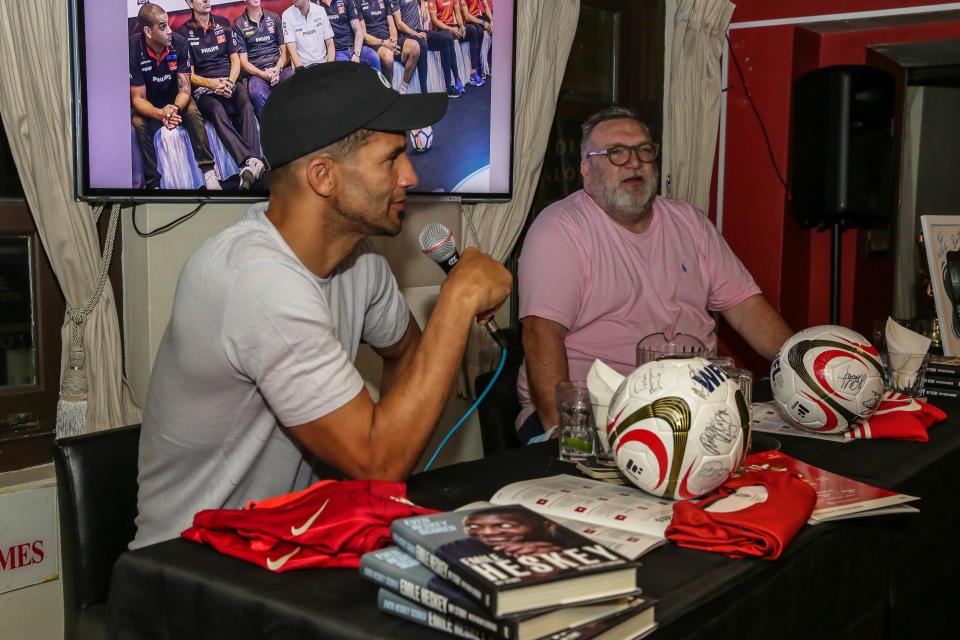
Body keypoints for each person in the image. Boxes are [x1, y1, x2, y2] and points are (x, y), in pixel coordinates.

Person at [131, 62, 511, 549]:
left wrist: (370, 482)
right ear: (323, 177)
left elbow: (405, 356)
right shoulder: (256, 279)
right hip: (191, 566)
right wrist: (456, 301)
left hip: (294, 542)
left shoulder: (362, 262)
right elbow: (379, 461)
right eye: (390, 159)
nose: (410, 176)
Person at [515, 106, 794, 443]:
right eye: (616, 153)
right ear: (587, 171)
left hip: (692, 407)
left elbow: (747, 307)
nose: (634, 162)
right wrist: (562, 433)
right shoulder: (560, 228)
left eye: (644, 150)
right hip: (595, 412)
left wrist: (804, 368)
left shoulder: (689, 221)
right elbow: (540, 334)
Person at [130, 4, 221, 191]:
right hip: (151, 104)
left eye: (168, 25)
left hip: (176, 101)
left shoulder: (179, 43)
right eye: (163, 27)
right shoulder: (133, 48)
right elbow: (138, 99)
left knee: (192, 110)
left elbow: (185, 90)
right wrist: (160, 114)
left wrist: (174, 110)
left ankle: (209, 172)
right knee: (138, 123)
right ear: (148, 31)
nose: (170, 31)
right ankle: (153, 184)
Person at [178, 0, 264, 189]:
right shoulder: (183, 33)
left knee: (245, 104)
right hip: (205, 87)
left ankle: (249, 167)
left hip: (228, 81)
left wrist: (230, 83)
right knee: (217, 111)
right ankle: (249, 161)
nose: (206, 0)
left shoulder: (223, 22)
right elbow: (189, 75)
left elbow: (235, 61)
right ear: (190, 3)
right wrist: (212, 83)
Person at [233, 0, 292, 119]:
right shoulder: (238, 24)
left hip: (279, 69)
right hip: (257, 74)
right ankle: (270, 132)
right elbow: (243, 62)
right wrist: (263, 74)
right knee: (256, 93)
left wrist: (278, 68)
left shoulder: (273, 17)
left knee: (296, 79)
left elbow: (286, 51)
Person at [392, 0, 462, 98]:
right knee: (423, 44)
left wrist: (422, 5)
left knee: (445, 38)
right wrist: (414, 33)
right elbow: (399, 23)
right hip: (406, 36)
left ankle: (449, 87)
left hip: (419, 31)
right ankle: (424, 94)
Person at [355, 0, 419, 94]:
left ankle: (403, 89)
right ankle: (388, 94)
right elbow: (364, 35)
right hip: (373, 43)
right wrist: (383, 43)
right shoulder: (358, 2)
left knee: (415, 47)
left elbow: (391, 25)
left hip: (388, 41)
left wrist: (393, 41)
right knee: (388, 57)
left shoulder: (385, 1)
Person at [317, 0, 381, 71]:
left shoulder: (347, 1)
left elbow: (358, 31)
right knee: (345, 69)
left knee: (374, 57)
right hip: (336, 51)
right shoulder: (316, 4)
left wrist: (356, 54)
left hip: (354, 47)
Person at [282, 0, 336, 69]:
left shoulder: (320, 10)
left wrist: (329, 67)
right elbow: (292, 49)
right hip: (303, 66)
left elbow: (330, 44)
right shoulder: (287, 15)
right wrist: (301, 70)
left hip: (323, 63)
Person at [427, 0, 466, 94]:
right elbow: (434, 21)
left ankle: (457, 79)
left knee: (473, 30)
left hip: (451, 27)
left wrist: (461, 26)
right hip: (439, 30)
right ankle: (451, 82)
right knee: (448, 37)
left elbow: (457, 12)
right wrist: (450, 29)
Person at [457, 0, 488, 86]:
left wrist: (491, 19)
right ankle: (474, 71)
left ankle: (477, 66)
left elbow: (486, 5)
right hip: (464, 23)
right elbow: (466, 16)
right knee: (475, 30)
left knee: (480, 31)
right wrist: (482, 22)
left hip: (472, 20)